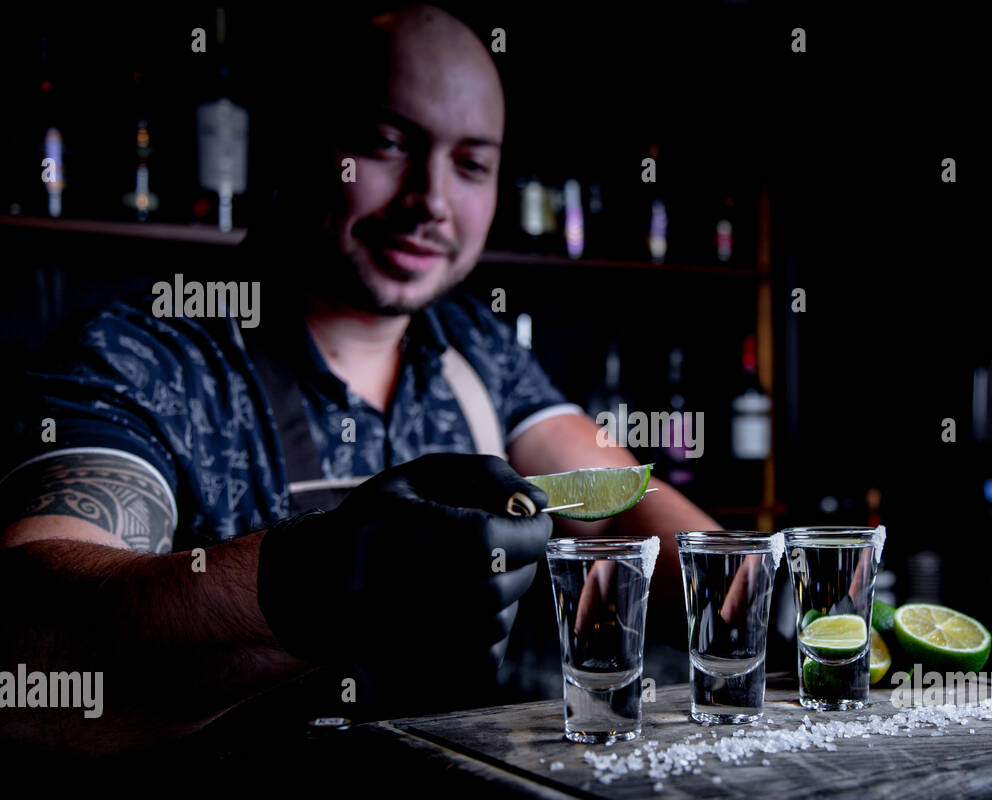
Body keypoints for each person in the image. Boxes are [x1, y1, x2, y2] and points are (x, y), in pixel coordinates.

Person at [0, 3, 720, 754]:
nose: (430, 202)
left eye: (471, 164)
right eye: (385, 142)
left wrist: (749, 591)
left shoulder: (476, 347)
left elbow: (617, 503)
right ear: (299, 141)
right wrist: (313, 581)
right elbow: (28, 639)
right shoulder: (144, 355)